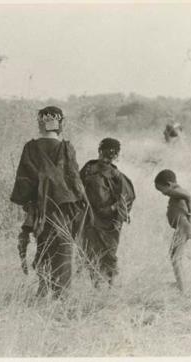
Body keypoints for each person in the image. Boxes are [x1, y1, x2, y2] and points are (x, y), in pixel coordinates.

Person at [11, 106, 90, 298]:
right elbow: (75, 181)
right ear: (61, 123)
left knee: (43, 246)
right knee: (63, 248)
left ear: (40, 122)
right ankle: (61, 296)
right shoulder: (66, 148)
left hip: (40, 210)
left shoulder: (30, 148)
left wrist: (31, 206)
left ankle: (44, 290)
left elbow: (24, 183)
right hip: (64, 210)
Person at [80, 138, 135, 287]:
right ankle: (96, 285)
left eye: (110, 156)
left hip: (110, 222)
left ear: (116, 156)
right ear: (99, 151)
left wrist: (112, 210)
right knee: (90, 252)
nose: (106, 159)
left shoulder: (117, 176)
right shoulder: (88, 169)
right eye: (104, 154)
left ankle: (111, 285)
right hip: (90, 219)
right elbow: (77, 190)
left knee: (109, 253)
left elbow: (127, 197)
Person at [154, 169, 191, 292]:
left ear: (169, 185)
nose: (162, 194)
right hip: (184, 227)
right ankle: (181, 283)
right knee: (173, 255)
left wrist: (190, 214)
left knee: (175, 258)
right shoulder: (181, 190)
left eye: (161, 190)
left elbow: (187, 198)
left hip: (183, 228)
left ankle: (182, 289)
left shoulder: (175, 192)